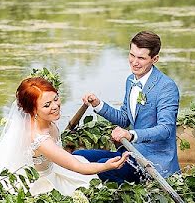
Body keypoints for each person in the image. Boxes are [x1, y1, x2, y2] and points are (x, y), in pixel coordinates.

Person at [0, 76, 129, 196]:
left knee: (86, 159)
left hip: (56, 168)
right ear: (33, 111)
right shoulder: (39, 139)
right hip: (44, 181)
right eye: (47, 105)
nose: (55, 106)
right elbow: (77, 166)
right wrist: (107, 166)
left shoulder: (47, 120)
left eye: (56, 99)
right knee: (94, 183)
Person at [75, 31, 180, 182]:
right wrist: (98, 104)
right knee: (78, 156)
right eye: (132, 55)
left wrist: (131, 135)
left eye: (141, 58)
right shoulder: (131, 80)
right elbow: (124, 119)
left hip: (152, 162)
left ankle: (116, 199)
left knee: (102, 166)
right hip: (130, 152)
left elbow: (166, 129)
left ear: (155, 59)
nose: (134, 62)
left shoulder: (166, 87)